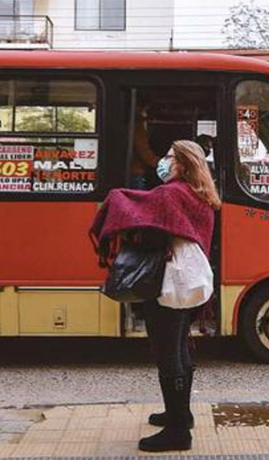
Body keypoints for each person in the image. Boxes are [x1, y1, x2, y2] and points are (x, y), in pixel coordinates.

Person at [90, 140, 221, 453]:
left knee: (168, 355)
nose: (163, 162)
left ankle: (177, 431)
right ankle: (181, 414)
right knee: (180, 348)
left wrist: (119, 204)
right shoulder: (199, 194)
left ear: (182, 163)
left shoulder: (171, 193)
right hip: (192, 281)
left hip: (169, 283)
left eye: (169, 157)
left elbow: (149, 231)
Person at [131, 104, 160, 190]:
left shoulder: (137, 126)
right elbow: (142, 149)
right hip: (135, 172)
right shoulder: (137, 127)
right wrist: (157, 162)